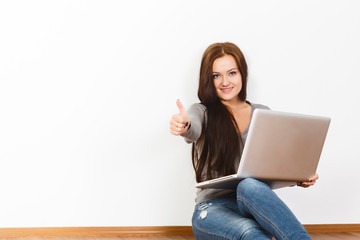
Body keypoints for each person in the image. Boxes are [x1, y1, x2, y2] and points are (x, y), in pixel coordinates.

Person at [169, 42, 319, 240]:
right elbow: (192, 128)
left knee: (249, 185)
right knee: (250, 233)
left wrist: (298, 177)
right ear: (208, 79)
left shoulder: (263, 113)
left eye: (232, 73)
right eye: (216, 75)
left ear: (242, 74)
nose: (225, 82)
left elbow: (277, 162)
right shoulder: (201, 112)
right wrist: (184, 125)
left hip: (254, 205)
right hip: (214, 209)